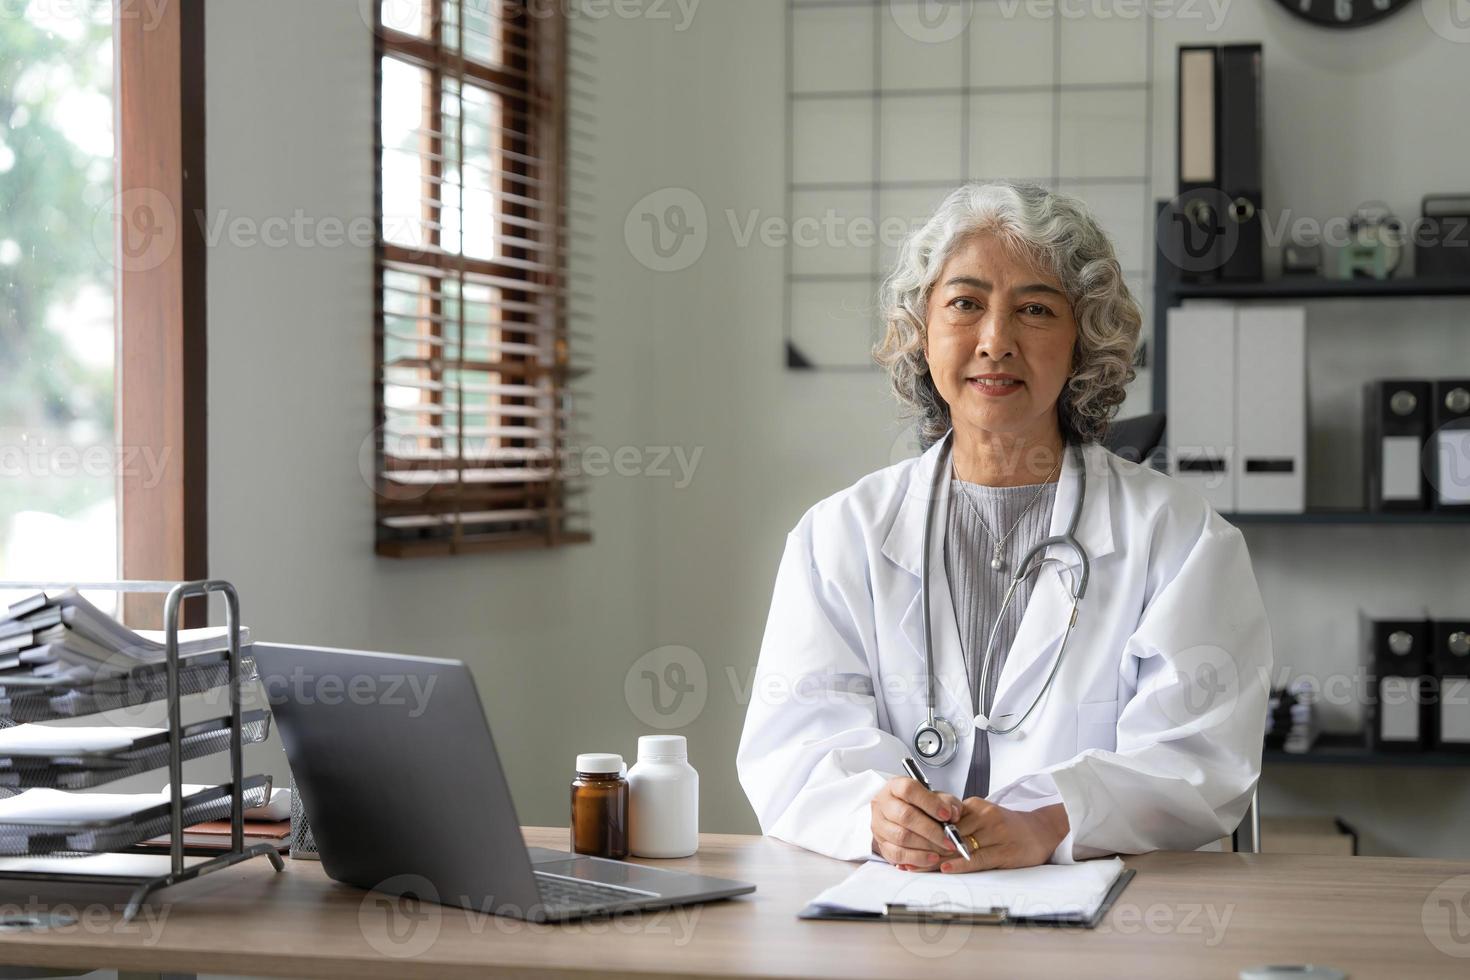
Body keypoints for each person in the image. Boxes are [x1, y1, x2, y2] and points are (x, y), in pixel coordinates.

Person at [736, 181, 1272, 872]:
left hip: (1103, 927)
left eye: (1035, 309)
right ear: (920, 329)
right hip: (893, 911)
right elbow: (794, 747)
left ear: (1084, 340)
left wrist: (1050, 823)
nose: (996, 340)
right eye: (965, 304)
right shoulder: (838, 536)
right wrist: (877, 814)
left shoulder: (1180, 538)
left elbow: (1200, 758)